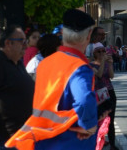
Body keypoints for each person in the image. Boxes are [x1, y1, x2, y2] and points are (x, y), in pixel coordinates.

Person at [6, 9, 99, 150]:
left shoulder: (45, 63)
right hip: (70, 142)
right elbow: (84, 101)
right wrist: (89, 126)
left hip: (42, 140)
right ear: (88, 36)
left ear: (63, 34)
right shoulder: (79, 67)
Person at [91, 43, 117, 150]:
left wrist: (110, 64)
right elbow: (99, 74)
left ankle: (112, 145)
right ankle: (97, 144)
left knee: (111, 119)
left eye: (103, 51)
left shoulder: (105, 63)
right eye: (99, 51)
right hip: (98, 94)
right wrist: (102, 63)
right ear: (94, 53)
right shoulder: (91, 65)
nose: (102, 53)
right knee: (98, 119)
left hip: (109, 91)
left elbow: (111, 76)